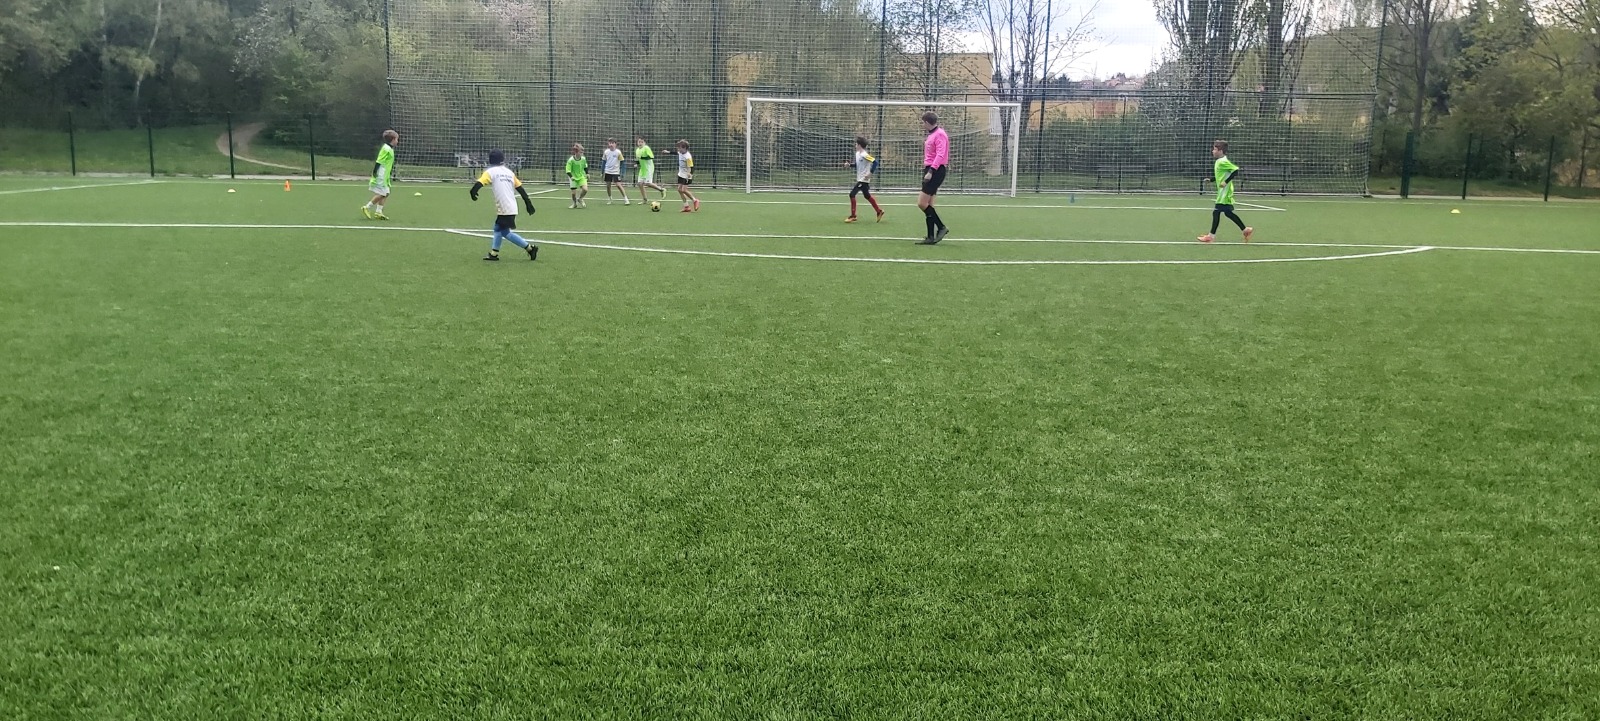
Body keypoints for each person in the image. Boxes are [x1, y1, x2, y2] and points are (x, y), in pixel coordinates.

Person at [469, 149, 539, 261]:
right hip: (511, 206)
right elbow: (520, 189)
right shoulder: (509, 173)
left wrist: (473, 191)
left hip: (504, 207)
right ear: (502, 159)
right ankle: (494, 253)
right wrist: (528, 203)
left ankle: (530, 248)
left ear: (490, 160)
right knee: (498, 229)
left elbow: (480, 182)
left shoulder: (491, 172)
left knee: (504, 232)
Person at [1198, 139, 1254, 243]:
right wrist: (1211, 180)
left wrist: (1226, 182)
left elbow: (1235, 170)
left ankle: (1210, 237)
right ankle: (1245, 230)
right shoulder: (1219, 161)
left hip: (1225, 192)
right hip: (1222, 191)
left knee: (1216, 212)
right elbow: (1221, 174)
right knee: (1228, 213)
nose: (1213, 151)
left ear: (1220, 151)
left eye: (1215, 149)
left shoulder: (1223, 161)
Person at [916, 112, 948, 244]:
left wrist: (931, 170)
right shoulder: (932, 134)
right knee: (929, 205)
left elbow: (940, 154)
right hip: (931, 168)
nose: (922, 125)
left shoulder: (940, 134)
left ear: (927, 122)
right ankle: (930, 237)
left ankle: (941, 227)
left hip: (936, 170)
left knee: (921, 203)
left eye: (923, 122)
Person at [845, 135, 884, 223]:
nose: (855, 145)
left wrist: (870, 173)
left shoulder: (865, 155)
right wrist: (849, 165)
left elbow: (875, 162)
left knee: (852, 194)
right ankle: (879, 211)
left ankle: (853, 216)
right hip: (860, 179)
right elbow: (857, 165)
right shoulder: (857, 154)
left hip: (863, 179)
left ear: (859, 145)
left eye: (856, 144)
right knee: (867, 195)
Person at [361, 129, 399, 220]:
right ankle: (367, 207)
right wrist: (375, 172)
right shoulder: (386, 149)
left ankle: (379, 212)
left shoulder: (389, 149)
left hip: (385, 175)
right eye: (397, 139)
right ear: (393, 139)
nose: (397, 141)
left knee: (386, 193)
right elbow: (379, 161)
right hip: (381, 174)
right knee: (382, 193)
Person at [634, 136, 666, 205]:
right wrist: (636, 163)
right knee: (640, 184)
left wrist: (642, 157)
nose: (640, 143)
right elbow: (638, 159)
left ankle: (661, 189)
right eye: (639, 142)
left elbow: (651, 157)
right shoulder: (637, 150)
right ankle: (645, 199)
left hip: (649, 168)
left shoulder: (646, 148)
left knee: (647, 183)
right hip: (642, 169)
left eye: (642, 142)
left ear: (644, 143)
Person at [601, 138, 629, 205]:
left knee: (618, 185)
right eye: (610, 143)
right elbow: (603, 162)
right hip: (608, 171)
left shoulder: (618, 152)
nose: (611, 144)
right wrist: (602, 172)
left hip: (615, 172)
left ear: (615, 144)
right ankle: (610, 199)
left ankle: (626, 199)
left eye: (612, 143)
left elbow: (622, 162)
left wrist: (623, 172)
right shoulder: (606, 152)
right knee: (608, 186)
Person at [675, 139, 699, 213]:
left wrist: (689, 173)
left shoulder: (688, 157)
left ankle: (695, 200)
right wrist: (667, 152)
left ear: (684, 148)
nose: (678, 149)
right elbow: (676, 153)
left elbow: (691, 167)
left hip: (687, 175)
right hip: (681, 174)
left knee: (684, 190)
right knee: (679, 190)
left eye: (680, 148)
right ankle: (686, 207)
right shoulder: (680, 152)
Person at [566, 143, 589, 209]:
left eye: (582, 152)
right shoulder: (571, 160)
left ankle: (580, 199)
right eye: (580, 152)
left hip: (581, 176)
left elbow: (585, 166)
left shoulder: (583, 159)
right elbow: (568, 170)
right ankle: (574, 203)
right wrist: (571, 177)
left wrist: (587, 173)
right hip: (573, 177)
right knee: (573, 193)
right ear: (576, 152)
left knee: (585, 189)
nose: (582, 153)